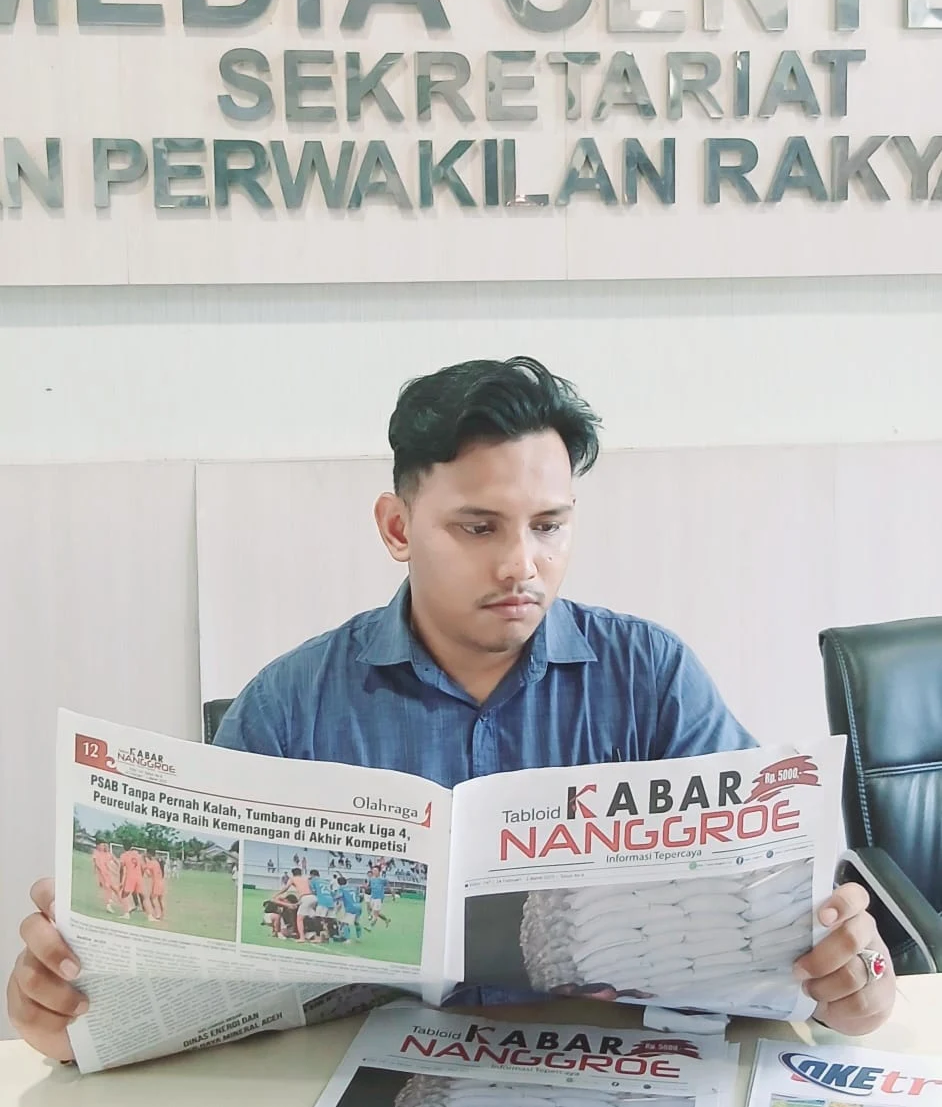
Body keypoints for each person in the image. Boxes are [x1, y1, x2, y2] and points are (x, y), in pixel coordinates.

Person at [8, 356, 895, 1061]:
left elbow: (776, 907)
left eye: (549, 525)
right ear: (397, 527)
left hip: (611, 1070)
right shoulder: (291, 705)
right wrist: (72, 1011)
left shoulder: (651, 677)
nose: (522, 565)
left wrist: (852, 978)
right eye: (479, 527)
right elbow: (195, 973)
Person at [141, 850, 166, 923]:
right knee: (160, 899)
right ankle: (162, 914)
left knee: (153, 899)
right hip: (161, 881)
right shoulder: (156, 862)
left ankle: (157, 914)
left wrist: (143, 859)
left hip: (156, 883)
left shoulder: (151, 863)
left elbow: (144, 868)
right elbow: (149, 873)